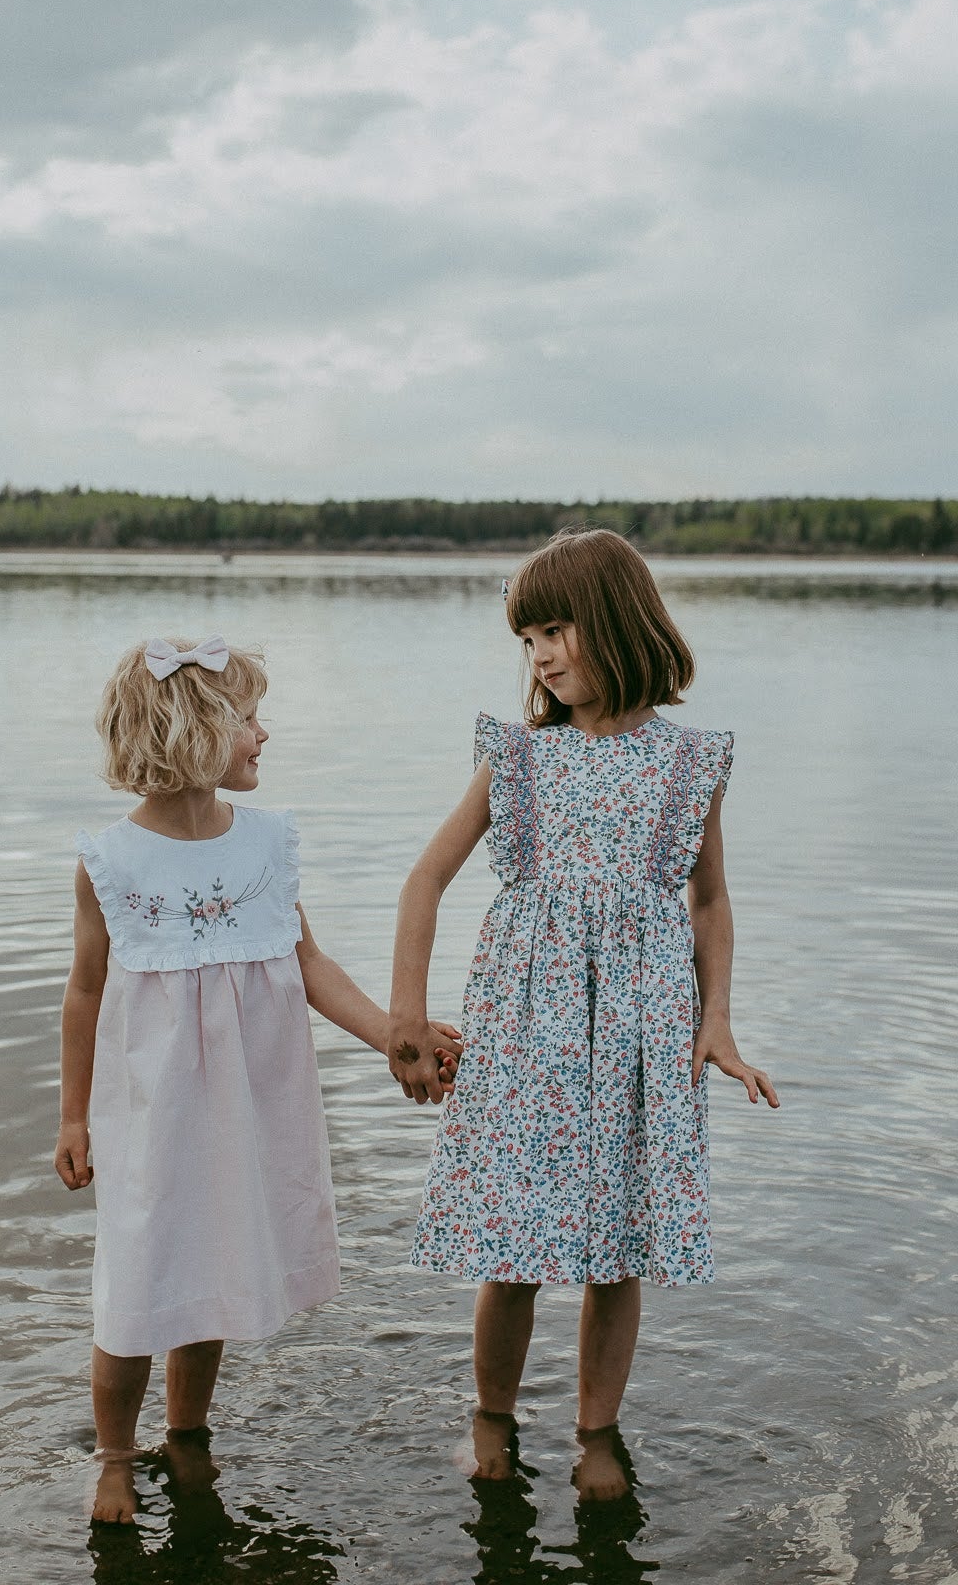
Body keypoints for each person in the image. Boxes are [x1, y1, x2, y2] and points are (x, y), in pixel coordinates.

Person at [387, 530, 778, 1499]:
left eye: (556, 629)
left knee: (620, 1241)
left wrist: (715, 1017)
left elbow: (711, 900)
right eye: (528, 640)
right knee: (515, 1242)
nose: (543, 656)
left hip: (639, 1038)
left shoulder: (689, 765)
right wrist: (407, 1012)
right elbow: (426, 877)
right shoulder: (520, 759)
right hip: (526, 1034)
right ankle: (492, 1411)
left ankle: (597, 1427)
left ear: (616, 621)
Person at [55, 633, 457, 1525]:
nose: (264, 735)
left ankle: (187, 1431)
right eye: (248, 718)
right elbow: (84, 994)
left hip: (246, 1105)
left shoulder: (268, 846)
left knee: (211, 1270)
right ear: (192, 728)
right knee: (136, 1281)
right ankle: (117, 1458)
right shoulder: (109, 862)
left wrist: (395, 1035)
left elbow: (307, 965)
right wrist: (74, 1118)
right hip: (150, 1115)